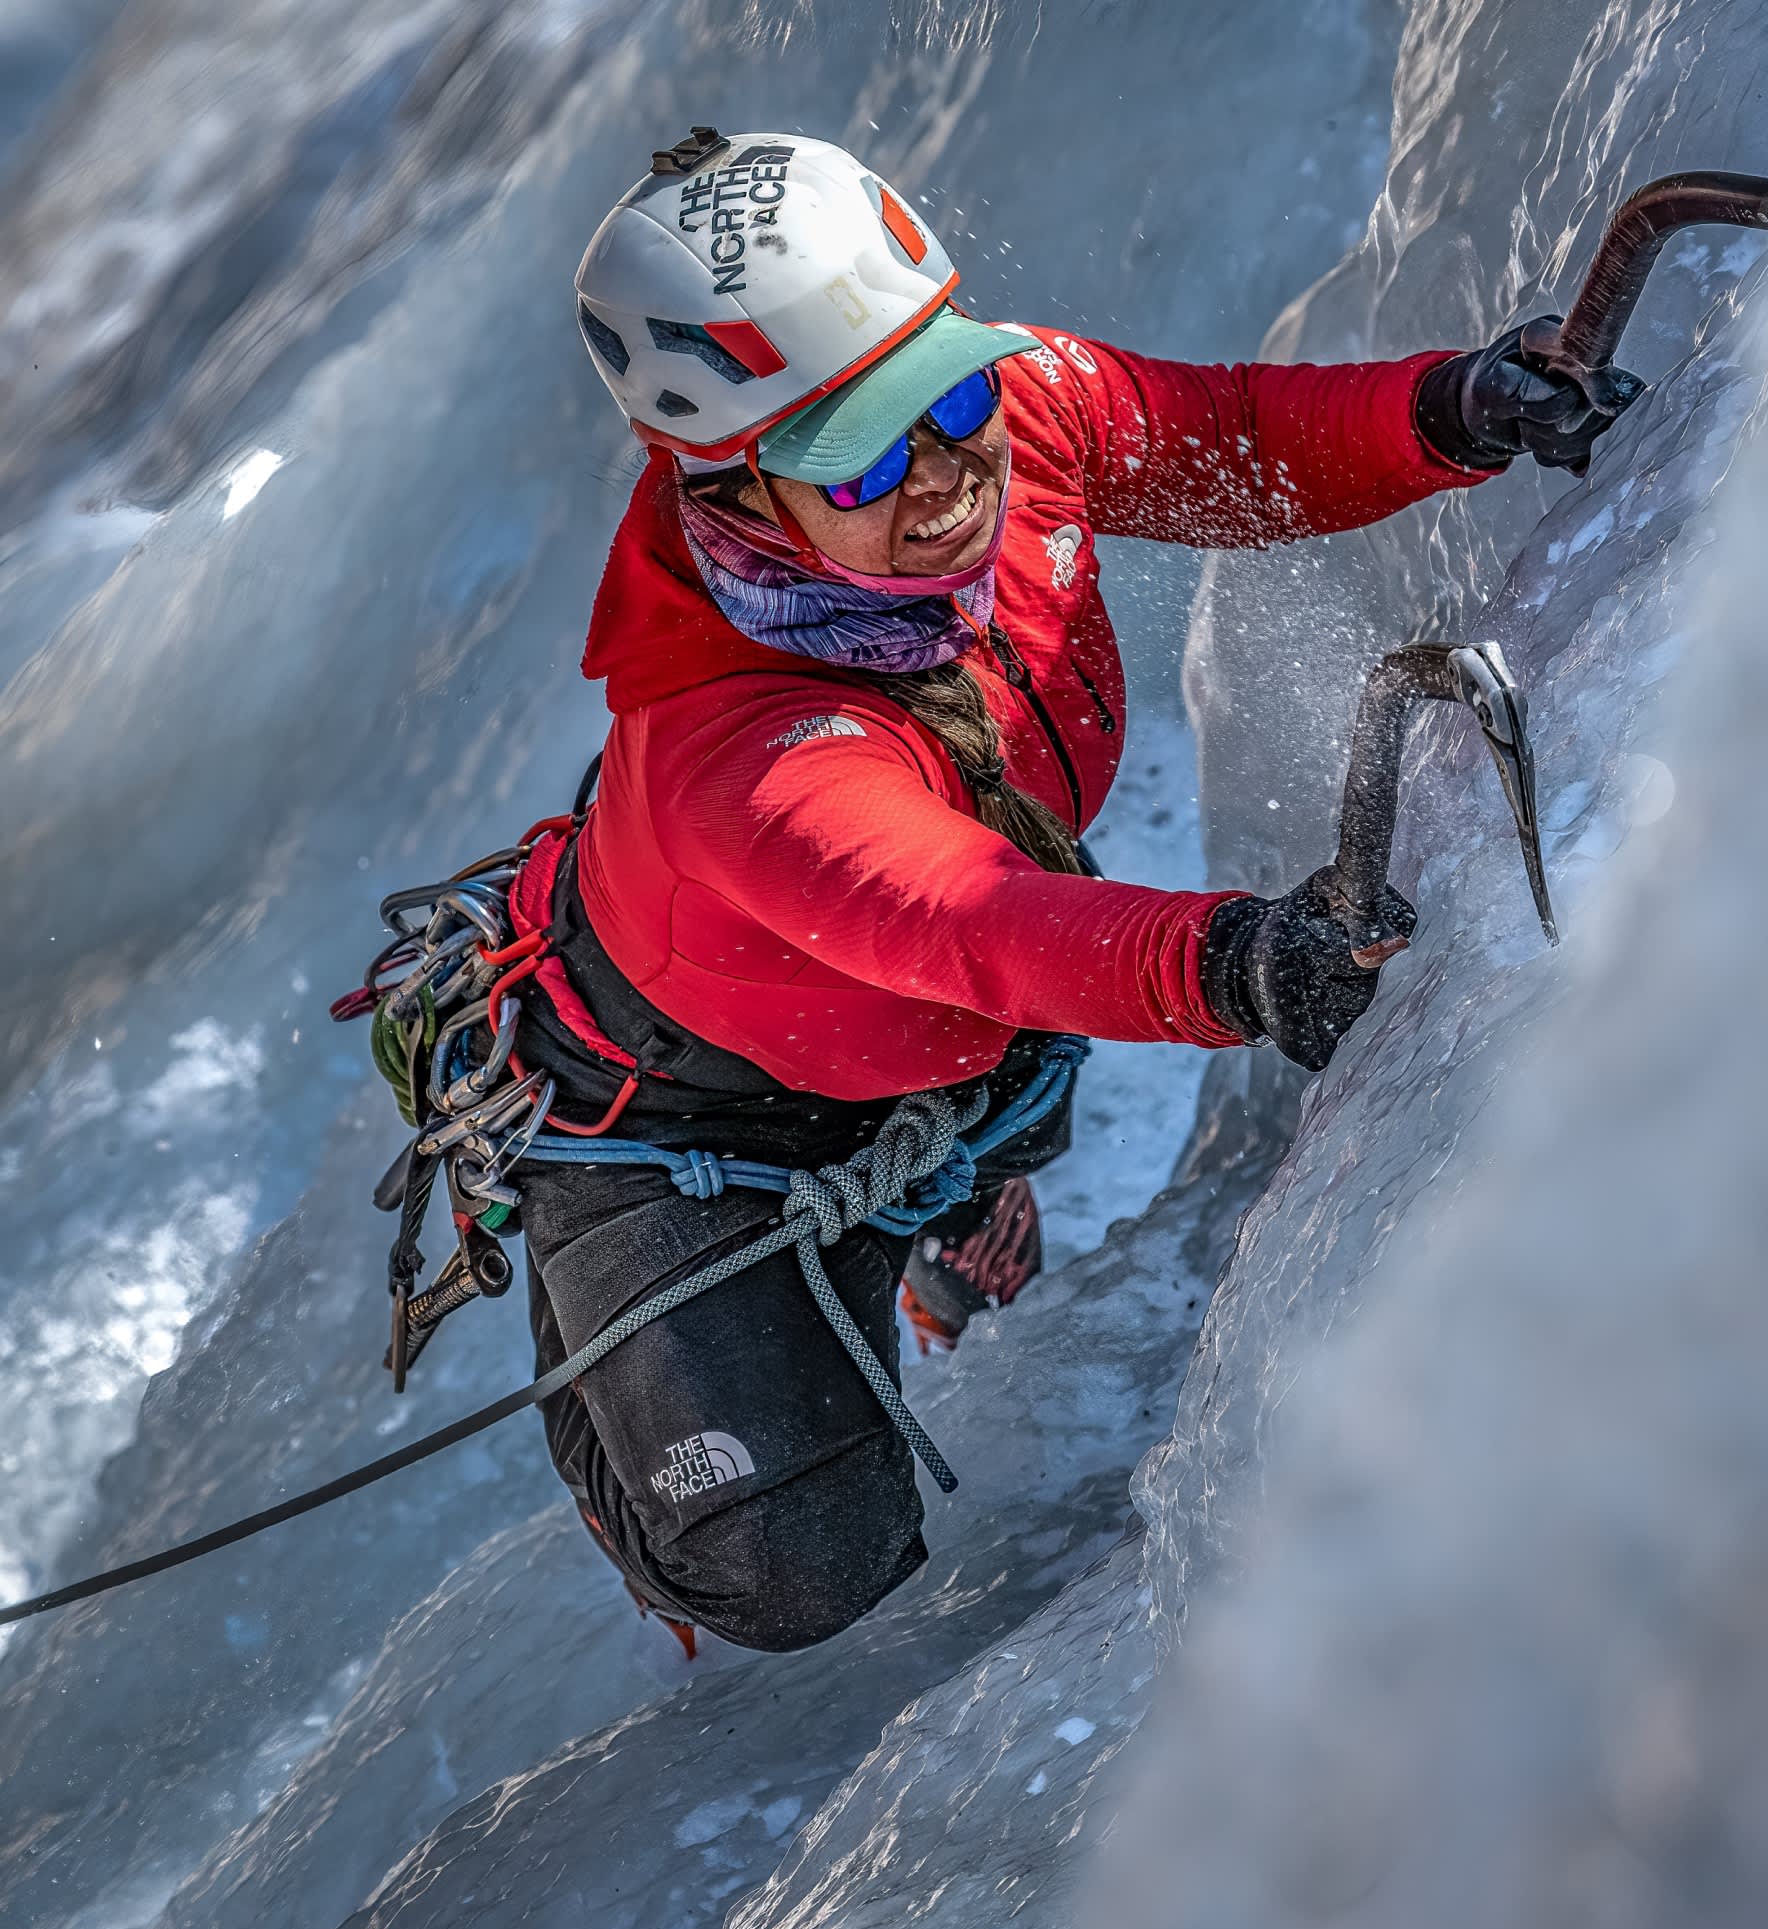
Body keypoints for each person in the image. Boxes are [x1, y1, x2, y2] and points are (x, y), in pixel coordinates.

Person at [513, 126, 1632, 1653]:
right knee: (800, 1566)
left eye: (949, 395)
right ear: (739, 494)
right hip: (689, 1115)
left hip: (925, 1002)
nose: (944, 470)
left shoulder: (1016, 412)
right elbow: (961, 915)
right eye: (861, 456)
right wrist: (1234, 965)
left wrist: (1450, 409)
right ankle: (622, 1384)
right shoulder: (739, 753)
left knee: (977, 1118)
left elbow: (1226, 441)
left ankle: (937, 1201)